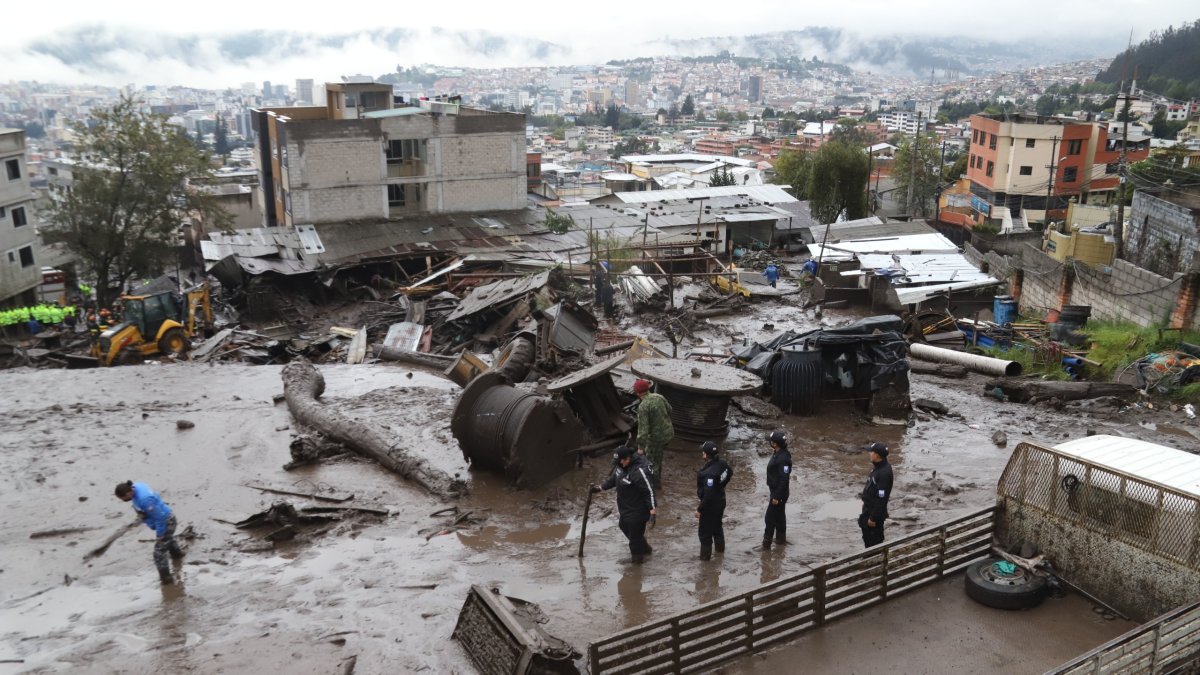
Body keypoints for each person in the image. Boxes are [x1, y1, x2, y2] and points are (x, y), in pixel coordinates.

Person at [592, 446, 658, 564]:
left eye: (620, 461)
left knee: (634, 537)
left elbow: (649, 491)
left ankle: (637, 561)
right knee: (623, 526)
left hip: (638, 510)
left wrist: (652, 511)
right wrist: (601, 487)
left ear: (627, 459)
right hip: (625, 507)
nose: (618, 464)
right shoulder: (621, 466)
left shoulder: (639, 472)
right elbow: (614, 479)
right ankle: (645, 549)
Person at [114, 480, 185, 584]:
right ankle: (177, 555)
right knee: (168, 539)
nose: (123, 500)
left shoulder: (145, 500)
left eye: (122, 498)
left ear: (128, 493)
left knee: (159, 552)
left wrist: (160, 535)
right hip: (165, 514)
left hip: (167, 522)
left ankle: (166, 580)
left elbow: (160, 518)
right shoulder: (136, 486)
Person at [694, 441, 733, 560]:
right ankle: (720, 554)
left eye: (703, 452)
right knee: (717, 527)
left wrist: (700, 509)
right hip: (721, 500)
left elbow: (708, 495)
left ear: (706, 455)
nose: (702, 454)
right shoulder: (722, 463)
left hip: (710, 506)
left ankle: (705, 562)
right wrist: (720, 487)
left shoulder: (709, 474)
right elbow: (730, 472)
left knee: (705, 534)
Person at [633, 378, 673, 487]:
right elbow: (670, 410)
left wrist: (640, 447)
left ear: (637, 393)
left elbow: (643, 429)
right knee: (658, 456)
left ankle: (654, 485)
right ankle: (657, 476)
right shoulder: (659, 397)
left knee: (651, 462)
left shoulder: (643, 406)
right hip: (668, 433)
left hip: (656, 438)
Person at [859, 442, 894, 548]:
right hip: (868, 510)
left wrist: (873, 518)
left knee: (873, 542)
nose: (869, 453)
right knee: (867, 538)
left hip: (874, 515)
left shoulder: (884, 473)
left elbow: (882, 498)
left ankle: (874, 562)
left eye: (871, 452)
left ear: (877, 455)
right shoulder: (878, 467)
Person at [763, 431, 792, 550]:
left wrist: (776, 497)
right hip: (776, 491)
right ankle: (781, 541)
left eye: (770, 441)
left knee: (769, 518)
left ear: (775, 444)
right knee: (780, 517)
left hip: (778, 494)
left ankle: (766, 546)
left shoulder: (783, 458)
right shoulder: (778, 453)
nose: (769, 443)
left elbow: (784, 479)